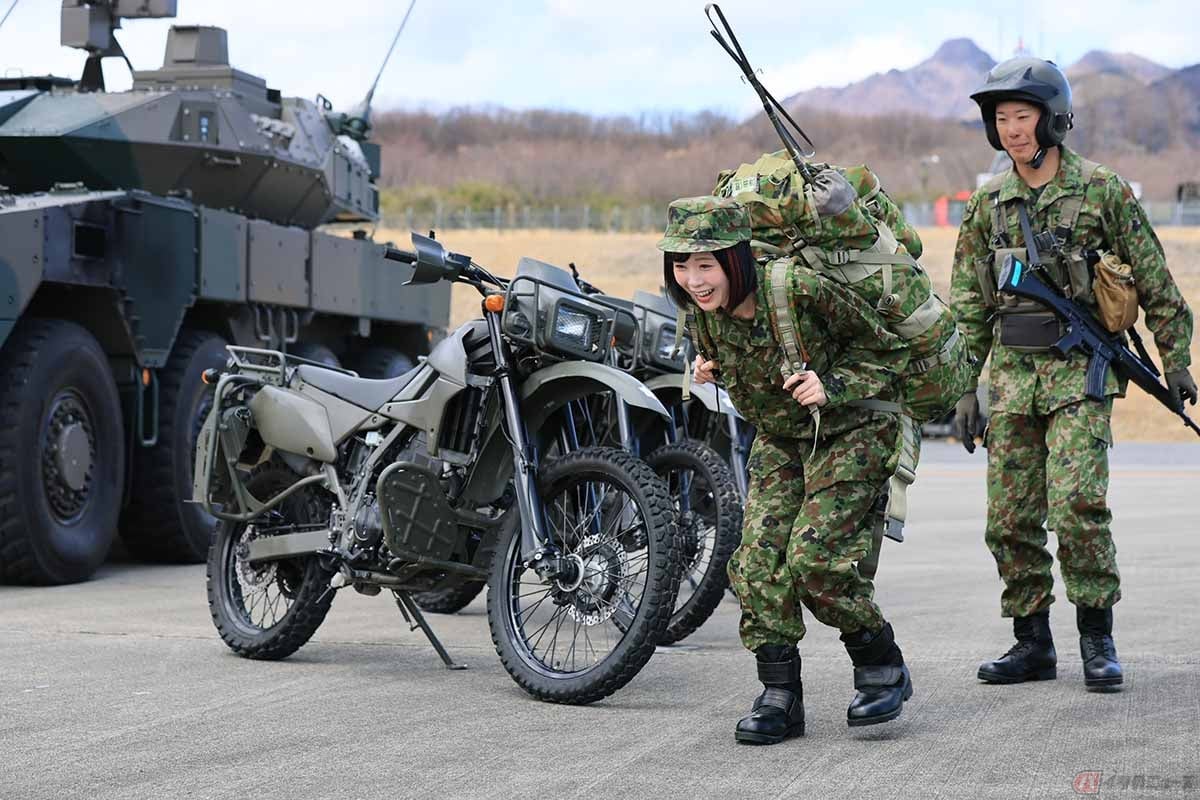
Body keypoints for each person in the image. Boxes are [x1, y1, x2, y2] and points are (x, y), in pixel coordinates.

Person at [950, 57, 1196, 692]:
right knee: (1008, 519)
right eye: (1001, 119)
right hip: (1009, 378)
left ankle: (1097, 638)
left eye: (1022, 116)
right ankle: (1031, 643)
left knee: (1079, 505)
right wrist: (964, 390)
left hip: (1077, 375)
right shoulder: (986, 204)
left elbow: (1155, 281)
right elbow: (970, 306)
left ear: (1052, 118)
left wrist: (1176, 362)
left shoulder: (1101, 191)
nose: (1012, 130)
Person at [658, 195, 913, 745]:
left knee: (813, 558)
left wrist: (833, 384)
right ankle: (780, 694)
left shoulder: (795, 289)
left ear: (736, 259)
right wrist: (711, 367)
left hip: (852, 429)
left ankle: (881, 664)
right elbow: (751, 362)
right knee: (756, 562)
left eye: (705, 264)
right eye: (681, 265)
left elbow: (889, 353)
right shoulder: (700, 313)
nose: (693, 279)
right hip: (783, 437)